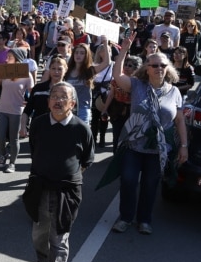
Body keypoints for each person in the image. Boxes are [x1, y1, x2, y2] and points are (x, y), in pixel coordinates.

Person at [110, 33, 188, 235]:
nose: (159, 68)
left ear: (168, 68)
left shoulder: (174, 92)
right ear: (147, 69)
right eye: (155, 65)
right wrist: (124, 51)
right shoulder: (137, 85)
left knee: (150, 185)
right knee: (128, 180)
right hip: (133, 145)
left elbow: (179, 121)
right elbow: (118, 76)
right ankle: (126, 217)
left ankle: (144, 220)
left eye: (163, 65)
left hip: (159, 149)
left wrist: (184, 146)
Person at [23, 81, 95, 262]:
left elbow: (87, 160)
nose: (58, 100)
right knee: (39, 232)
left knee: (59, 239)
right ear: (48, 101)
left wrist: (68, 175)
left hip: (66, 192)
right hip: (40, 187)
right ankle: (41, 257)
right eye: (54, 96)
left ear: (72, 103)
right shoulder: (38, 124)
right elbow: (35, 150)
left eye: (64, 97)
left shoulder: (81, 129)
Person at [0, 48, 33, 173]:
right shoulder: (6, 71)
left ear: (17, 58)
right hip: (2, 109)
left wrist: (29, 104)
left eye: (10, 57)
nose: (7, 59)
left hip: (16, 111)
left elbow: (33, 93)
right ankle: (3, 155)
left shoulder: (26, 74)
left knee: (13, 139)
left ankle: (12, 163)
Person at [100, 55, 140, 153]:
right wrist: (105, 109)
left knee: (129, 136)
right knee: (116, 134)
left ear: (136, 68)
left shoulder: (138, 82)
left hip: (131, 111)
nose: (126, 67)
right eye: (125, 65)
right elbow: (111, 95)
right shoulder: (116, 80)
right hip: (117, 110)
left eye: (130, 66)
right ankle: (115, 156)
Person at [21, 57, 68, 138]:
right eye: (53, 68)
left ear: (65, 70)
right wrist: (23, 126)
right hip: (38, 130)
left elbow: (73, 114)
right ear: (49, 69)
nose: (56, 72)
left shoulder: (69, 91)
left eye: (59, 69)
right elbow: (27, 110)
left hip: (60, 132)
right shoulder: (38, 88)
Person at [64, 40, 110, 124]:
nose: (78, 55)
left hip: (83, 109)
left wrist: (106, 44)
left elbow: (106, 63)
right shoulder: (67, 70)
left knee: (81, 135)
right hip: (67, 109)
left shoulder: (89, 70)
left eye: (82, 53)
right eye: (76, 52)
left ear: (86, 55)